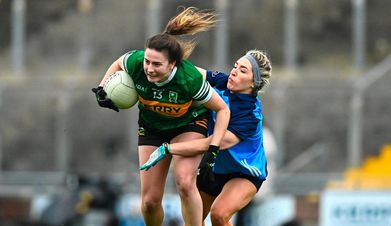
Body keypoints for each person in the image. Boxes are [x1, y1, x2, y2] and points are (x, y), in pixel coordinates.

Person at [92, 7, 230, 226]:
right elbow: (119, 62)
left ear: (172, 64)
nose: (149, 69)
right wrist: (102, 88)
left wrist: (213, 147)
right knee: (149, 202)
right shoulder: (136, 62)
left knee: (185, 183)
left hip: (188, 124)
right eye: (148, 61)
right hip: (152, 128)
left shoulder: (189, 79)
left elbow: (223, 109)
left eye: (156, 64)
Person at [141, 49, 272, 226]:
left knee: (219, 215)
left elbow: (212, 143)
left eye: (243, 71)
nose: (234, 71)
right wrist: (162, 58)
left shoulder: (250, 115)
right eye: (235, 66)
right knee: (193, 220)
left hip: (244, 173)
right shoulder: (223, 81)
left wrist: (168, 149)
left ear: (254, 83)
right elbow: (191, 72)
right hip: (214, 168)